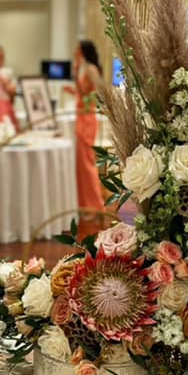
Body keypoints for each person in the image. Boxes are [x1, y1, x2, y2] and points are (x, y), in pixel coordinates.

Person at [65, 40, 105, 237]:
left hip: (87, 118)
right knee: (82, 164)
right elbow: (83, 92)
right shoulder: (85, 68)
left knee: (87, 163)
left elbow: (98, 90)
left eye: (77, 49)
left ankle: (95, 206)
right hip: (82, 116)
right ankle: (86, 205)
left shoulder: (90, 69)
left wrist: (76, 77)